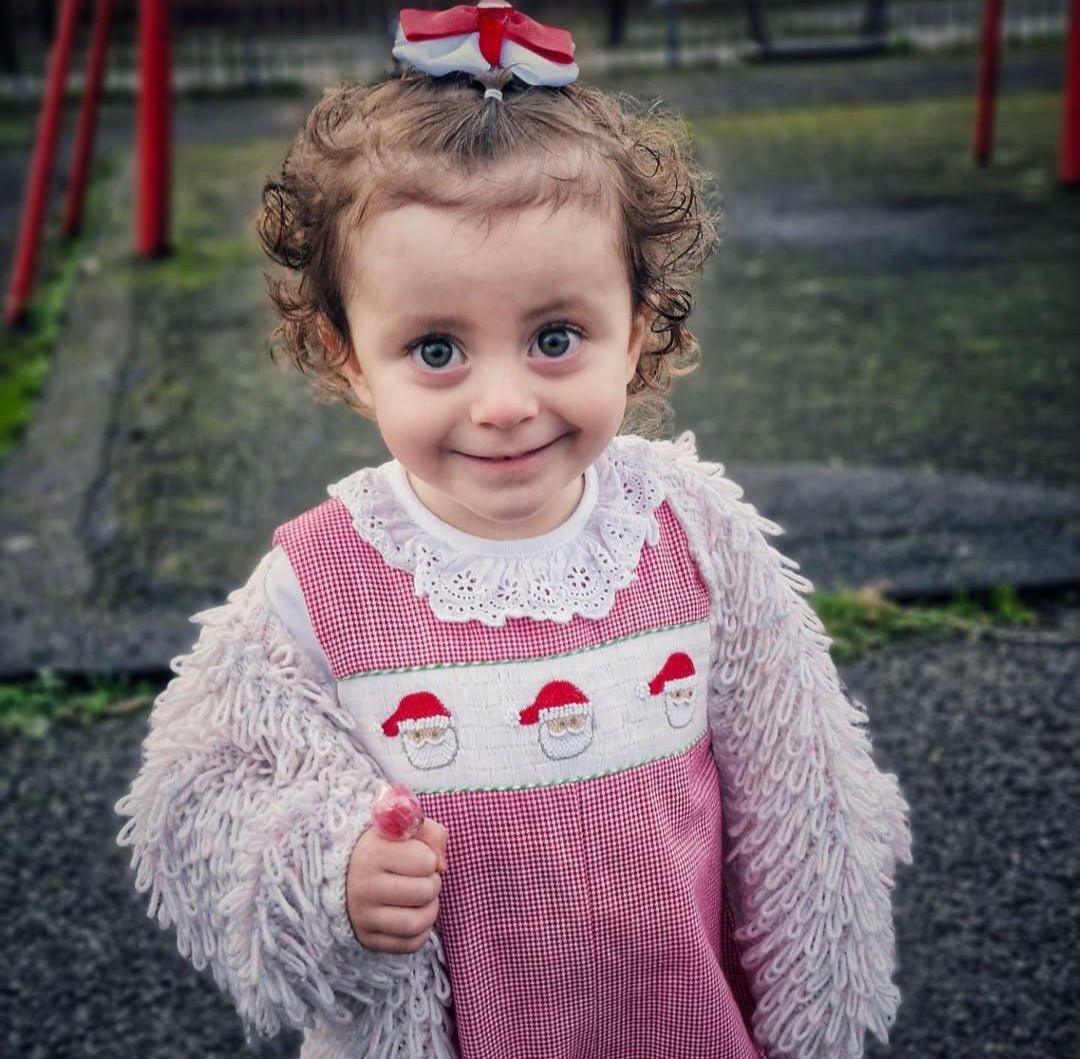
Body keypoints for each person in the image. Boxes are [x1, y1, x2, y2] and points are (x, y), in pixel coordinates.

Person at [116, 4, 911, 1058]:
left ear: (637, 329)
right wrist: (325, 870)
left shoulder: (690, 534)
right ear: (348, 355)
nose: (501, 402)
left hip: (686, 1027)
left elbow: (800, 787)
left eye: (554, 337)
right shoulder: (321, 582)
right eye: (437, 349)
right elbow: (200, 796)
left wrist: (812, 1012)